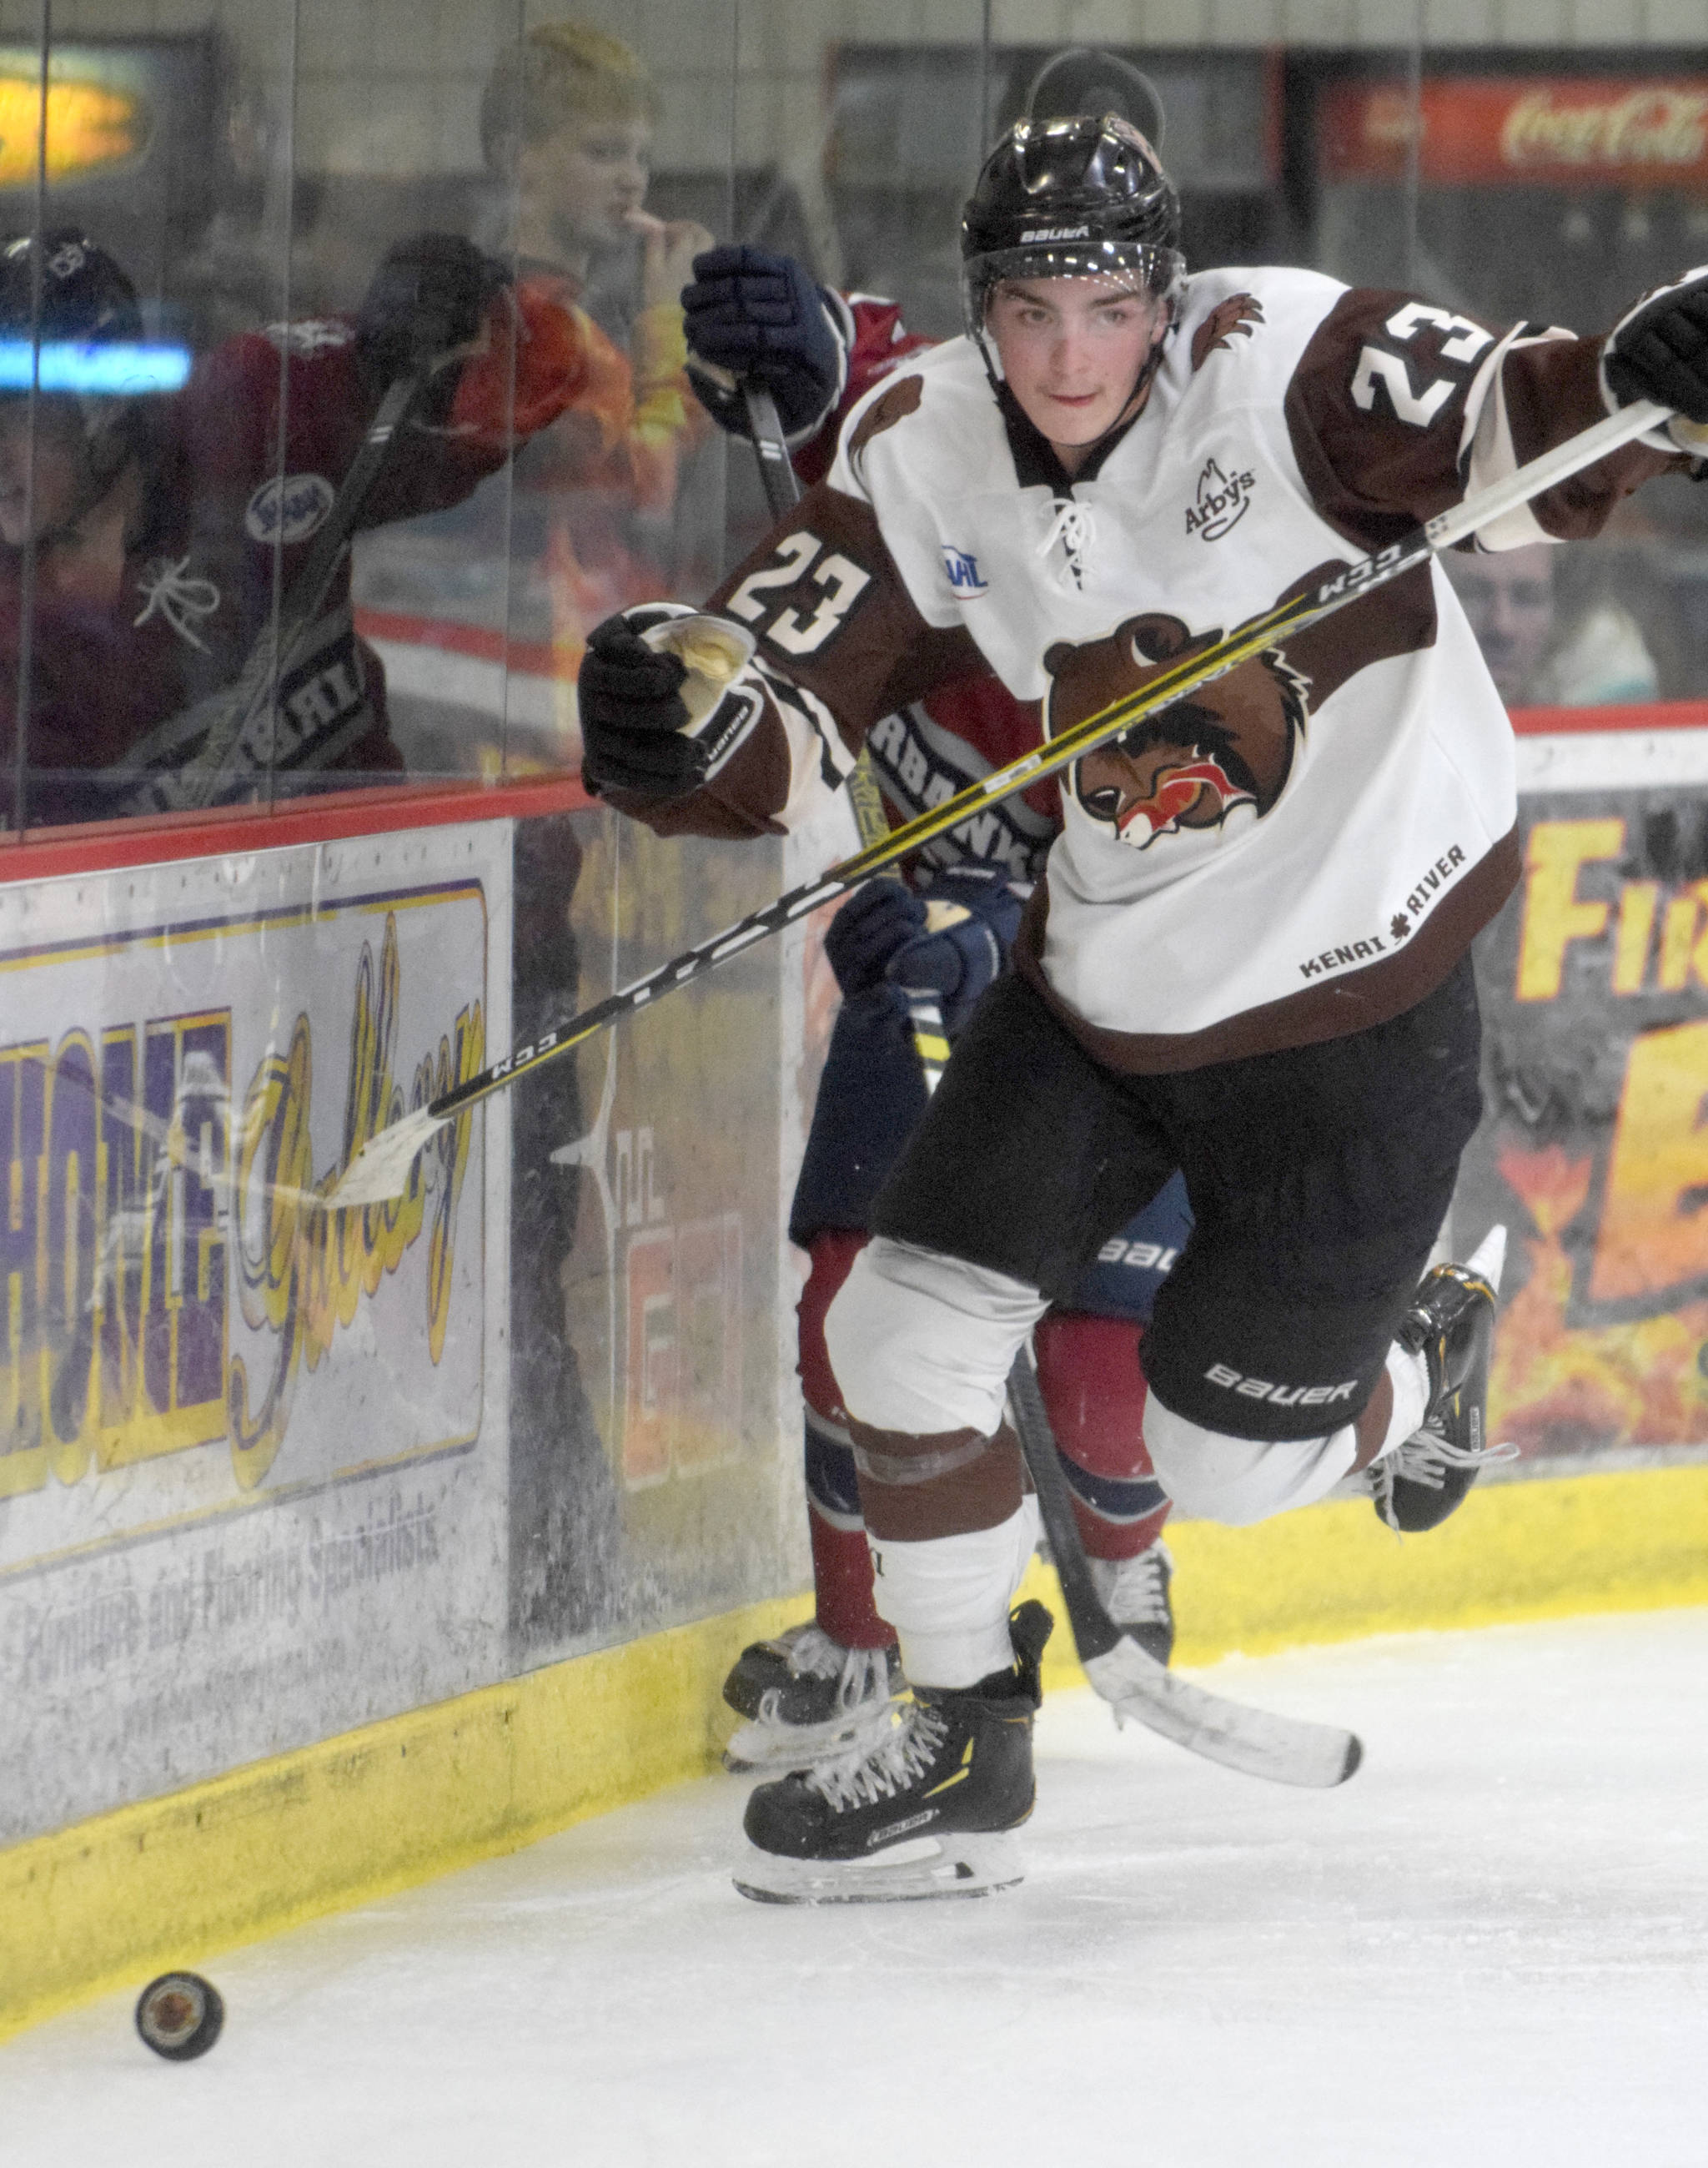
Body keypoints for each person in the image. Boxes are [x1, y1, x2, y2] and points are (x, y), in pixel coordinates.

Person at [578, 114, 1708, 1898]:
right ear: (982, 308)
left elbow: (1510, 409)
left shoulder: (1287, 362)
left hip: (1353, 1009)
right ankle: (964, 1735)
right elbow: (775, 680)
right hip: (1106, 989)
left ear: (1164, 297)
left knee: (1223, 1463)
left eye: (1106, 306)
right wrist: (681, 724)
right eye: (1029, 309)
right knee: (897, 1338)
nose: (1068, 354)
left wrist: (1647, 382)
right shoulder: (921, 444)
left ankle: (1423, 1369)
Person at [681, 224, 1186, 1772]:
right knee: (854, 1293)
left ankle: (1125, 1525)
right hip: (928, 962)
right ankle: (861, 1639)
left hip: (1124, 978)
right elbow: (833, 380)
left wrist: (1006, 927)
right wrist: (783, 348)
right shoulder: (954, 433)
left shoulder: (1193, 523)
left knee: (1107, 1389)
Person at [0, 225, 582, 829]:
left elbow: (539, 369)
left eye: (13, 422)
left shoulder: (256, 408)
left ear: (106, 400)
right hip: (175, 923)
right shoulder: (13, 631)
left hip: (382, 888)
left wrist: (465, 319)